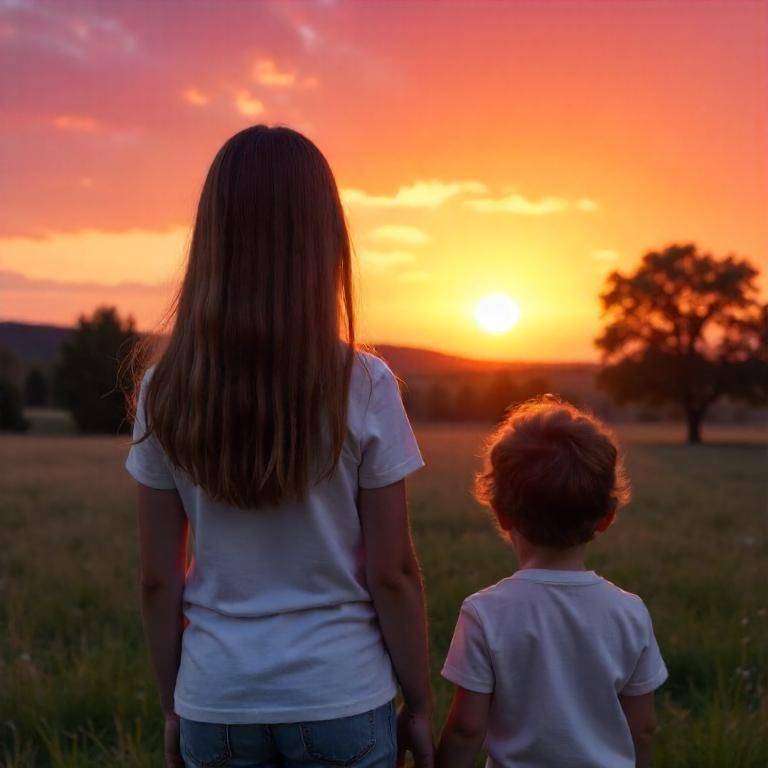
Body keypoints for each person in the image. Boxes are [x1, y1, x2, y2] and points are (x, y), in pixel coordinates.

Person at [125, 125, 433, 768]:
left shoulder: (165, 389)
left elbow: (159, 578)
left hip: (216, 700)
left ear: (213, 239)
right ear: (324, 241)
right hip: (343, 697)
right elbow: (394, 572)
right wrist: (422, 704)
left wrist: (173, 705)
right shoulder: (366, 384)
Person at [437, 398, 667, 768]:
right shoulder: (630, 612)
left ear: (501, 513)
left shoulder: (484, 613)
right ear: (605, 518)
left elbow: (466, 728)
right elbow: (642, 728)